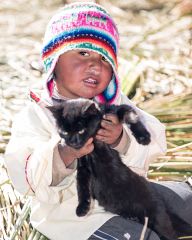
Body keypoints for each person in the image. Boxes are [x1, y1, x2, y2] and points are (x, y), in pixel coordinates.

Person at [5, 2, 192, 240]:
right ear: (53, 59)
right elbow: (26, 178)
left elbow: (154, 139)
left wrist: (122, 138)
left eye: (104, 58)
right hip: (78, 216)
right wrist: (64, 153)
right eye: (82, 53)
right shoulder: (36, 114)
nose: (95, 65)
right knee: (142, 237)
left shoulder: (113, 103)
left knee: (187, 204)